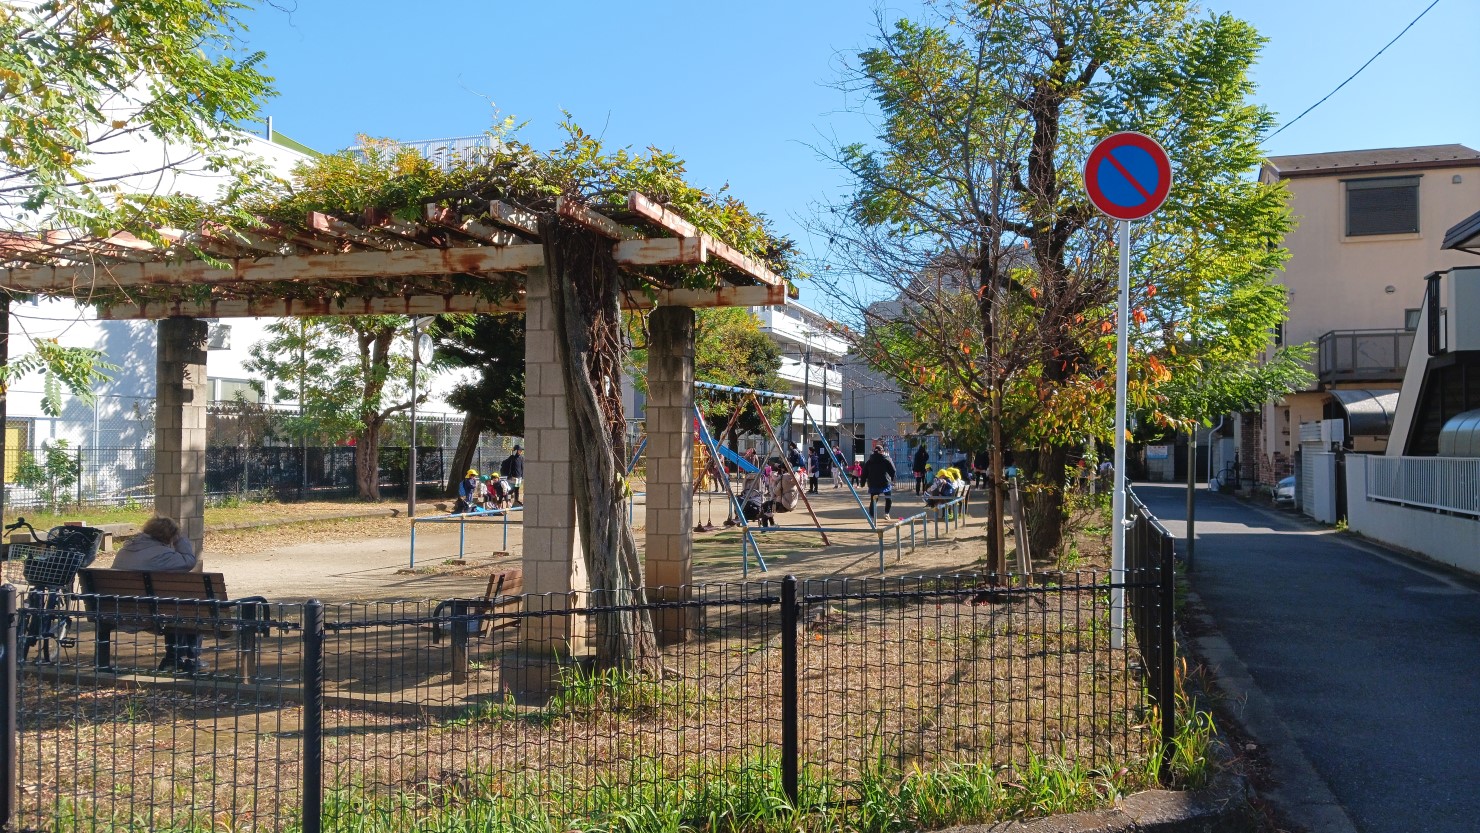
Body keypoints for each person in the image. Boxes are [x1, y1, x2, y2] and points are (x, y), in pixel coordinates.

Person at [113, 517, 206, 673]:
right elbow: (189, 561)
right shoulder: (162, 555)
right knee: (188, 608)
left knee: (171, 606)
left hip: (115, 609)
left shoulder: (125, 550)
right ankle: (189, 658)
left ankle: (174, 658)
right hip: (147, 614)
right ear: (169, 536)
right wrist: (179, 539)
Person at [862, 444, 897, 521]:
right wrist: (892, 478)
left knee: (874, 500)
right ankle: (886, 513)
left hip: (873, 483)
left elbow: (864, 472)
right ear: (882, 451)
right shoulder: (886, 459)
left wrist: (862, 482)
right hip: (885, 482)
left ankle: (872, 516)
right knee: (888, 498)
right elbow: (893, 470)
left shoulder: (869, 461)